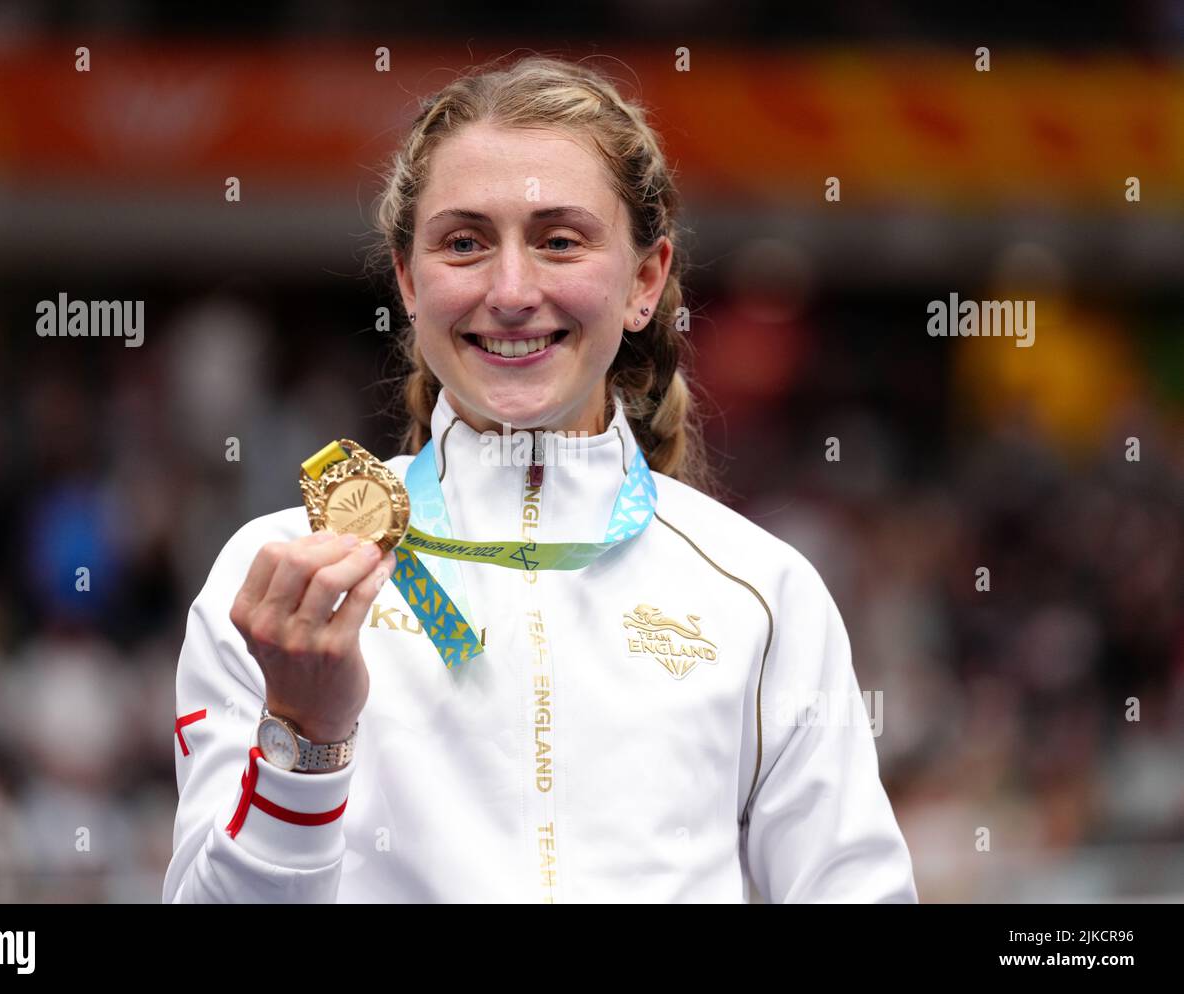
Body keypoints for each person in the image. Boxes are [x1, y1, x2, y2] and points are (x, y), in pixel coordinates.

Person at [162, 55, 917, 904]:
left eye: (560, 241)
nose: (513, 291)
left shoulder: (763, 594)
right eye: (464, 244)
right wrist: (307, 733)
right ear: (409, 283)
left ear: (645, 280)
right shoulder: (280, 579)